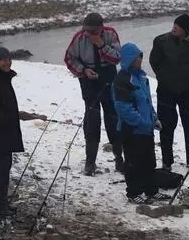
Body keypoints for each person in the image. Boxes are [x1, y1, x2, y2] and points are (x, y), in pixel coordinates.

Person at [0, 47, 46, 218]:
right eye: (3, 60)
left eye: (8, 59)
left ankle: (1, 203)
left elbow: (4, 106)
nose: (7, 62)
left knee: (3, 167)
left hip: (2, 133)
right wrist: (10, 119)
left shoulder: (0, 77)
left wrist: (21, 116)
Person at [65, 12, 123, 176]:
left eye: (93, 32)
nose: (90, 35)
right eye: (87, 31)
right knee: (92, 118)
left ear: (101, 28)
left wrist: (101, 45)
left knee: (113, 118)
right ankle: (90, 162)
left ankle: (120, 158)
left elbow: (117, 58)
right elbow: (69, 59)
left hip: (108, 77)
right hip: (88, 81)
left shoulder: (111, 34)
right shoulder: (79, 38)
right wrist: (83, 70)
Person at [113, 43, 172, 204]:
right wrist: (142, 122)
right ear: (130, 59)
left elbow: (147, 102)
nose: (140, 59)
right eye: (137, 56)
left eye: (140, 56)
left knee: (149, 161)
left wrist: (154, 119)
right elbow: (123, 108)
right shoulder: (123, 79)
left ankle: (151, 190)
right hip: (132, 130)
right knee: (133, 162)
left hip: (146, 129)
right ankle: (133, 192)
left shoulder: (142, 78)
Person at [149, 13, 189, 172]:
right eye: (174, 25)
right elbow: (154, 62)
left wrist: (185, 76)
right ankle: (167, 162)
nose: (174, 28)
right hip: (166, 90)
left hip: (187, 90)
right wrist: (165, 77)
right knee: (166, 125)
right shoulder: (160, 41)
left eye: (178, 27)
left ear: (186, 29)